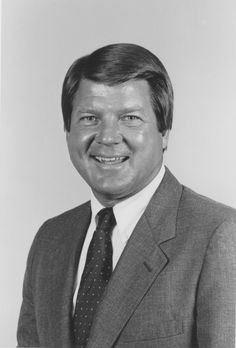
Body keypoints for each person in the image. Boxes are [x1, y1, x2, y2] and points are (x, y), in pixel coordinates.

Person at [17, 43, 236, 348]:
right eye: (89, 118)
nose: (107, 137)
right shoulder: (50, 241)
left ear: (165, 132)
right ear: (67, 132)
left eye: (130, 118)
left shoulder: (220, 235)